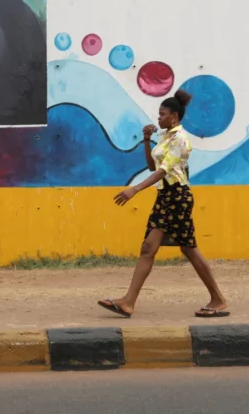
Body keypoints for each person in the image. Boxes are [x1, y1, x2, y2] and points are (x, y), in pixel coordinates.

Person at [97, 89, 229, 318]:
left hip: (177, 197)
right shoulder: (167, 137)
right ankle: (128, 302)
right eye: (159, 114)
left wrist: (135, 189)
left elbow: (162, 171)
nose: (158, 118)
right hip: (166, 198)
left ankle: (218, 299)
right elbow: (151, 166)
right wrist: (147, 141)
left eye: (162, 114)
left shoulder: (180, 140)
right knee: (156, 248)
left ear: (174, 116)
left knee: (184, 249)